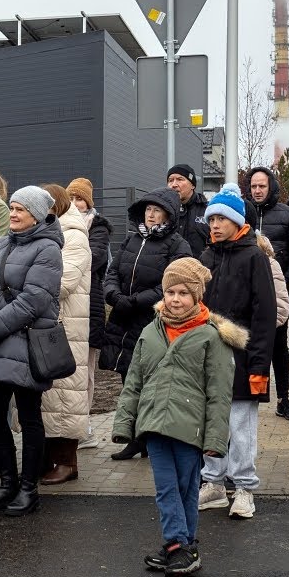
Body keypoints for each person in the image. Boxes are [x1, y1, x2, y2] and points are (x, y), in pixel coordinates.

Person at [112, 257, 238, 577]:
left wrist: (214, 438)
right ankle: (178, 544)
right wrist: (124, 424)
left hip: (189, 428)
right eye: (171, 292)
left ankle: (182, 545)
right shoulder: (150, 332)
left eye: (184, 292)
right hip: (154, 425)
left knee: (185, 488)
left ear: (197, 297)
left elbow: (220, 392)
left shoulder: (212, 336)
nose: (176, 299)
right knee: (167, 488)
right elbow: (134, 382)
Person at [0, 186, 63, 517]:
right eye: (12, 207)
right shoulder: (0, 243)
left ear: (37, 214)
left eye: (20, 209)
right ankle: (7, 483)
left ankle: (27, 488)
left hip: (23, 343)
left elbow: (34, 301)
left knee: (29, 416)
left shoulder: (48, 249)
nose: (13, 213)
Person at [195, 184, 276, 520]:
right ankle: (213, 482)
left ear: (237, 222)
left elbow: (265, 314)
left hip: (243, 356)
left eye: (221, 218)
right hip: (209, 355)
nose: (214, 224)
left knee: (240, 423)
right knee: (211, 421)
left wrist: (259, 364)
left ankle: (244, 487)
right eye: (211, 218)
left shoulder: (255, 257)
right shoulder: (206, 256)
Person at [102, 187, 193, 460]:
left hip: (151, 320)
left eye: (157, 210)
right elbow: (112, 272)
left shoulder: (178, 245)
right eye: (148, 210)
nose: (151, 215)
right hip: (123, 319)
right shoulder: (132, 241)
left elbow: (172, 285)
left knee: (151, 381)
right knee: (128, 378)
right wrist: (114, 295)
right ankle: (136, 438)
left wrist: (137, 300)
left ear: (169, 215)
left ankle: (151, 439)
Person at [39, 184, 92, 485]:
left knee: (67, 394)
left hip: (67, 325)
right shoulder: (48, 231)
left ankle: (68, 462)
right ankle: (48, 458)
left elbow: (65, 281)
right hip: (47, 323)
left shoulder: (73, 234)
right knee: (49, 395)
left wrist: (28, 281)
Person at [247, 167, 289, 421]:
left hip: (275, 290)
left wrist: (288, 286)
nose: (257, 191)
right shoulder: (242, 212)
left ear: (271, 188)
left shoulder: (288, 215)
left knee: (280, 347)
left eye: (262, 186)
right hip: (247, 291)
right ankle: (250, 395)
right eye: (254, 186)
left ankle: (283, 399)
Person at [68, 177, 112, 449]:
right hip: (68, 307)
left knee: (86, 372)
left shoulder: (99, 227)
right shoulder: (58, 224)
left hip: (90, 306)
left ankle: (85, 427)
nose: (75, 204)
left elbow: (92, 258)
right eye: (70, 198)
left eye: (79, 198)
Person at [166, 164, 210, 257]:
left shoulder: (208, 211)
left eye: (180, 179)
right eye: (170, 180)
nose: (174, 185)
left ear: (192, 185)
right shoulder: (163, 211)